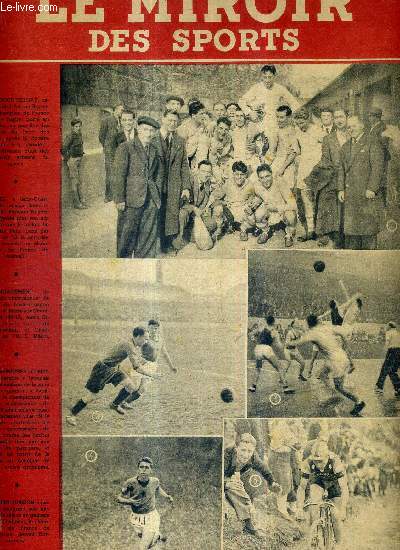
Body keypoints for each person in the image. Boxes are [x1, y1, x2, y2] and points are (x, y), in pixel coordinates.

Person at [65, 327, 151, 426]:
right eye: (145, 339)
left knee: (130, 386)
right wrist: (151, 374)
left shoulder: (131, 343)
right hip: (102, 369)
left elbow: (133, 357)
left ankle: (114, 404)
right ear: (138, 336)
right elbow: (136, 367)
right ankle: (71, 415)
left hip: (113, 369)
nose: (146, 341)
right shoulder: (129, 345)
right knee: (92, 396)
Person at [288, 314, 365, 416]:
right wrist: (350, 359)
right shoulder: (326, 327)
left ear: (309, 323)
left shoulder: (312, 333)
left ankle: (358, 401)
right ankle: (331, 394)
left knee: (339, 387)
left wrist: (288, 342)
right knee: (321, 375)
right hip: (340, 357)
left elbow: (297, 342)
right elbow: (343, 334)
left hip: (335, 361)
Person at [113, 116, 164, 258]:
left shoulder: (153, 149)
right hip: (131, 200)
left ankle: (143, 267)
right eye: (145, 129)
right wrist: (119, 199)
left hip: (150, 200)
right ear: (138, 130)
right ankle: (124, 267)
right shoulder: (126, 147)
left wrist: (156, 196)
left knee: (148, 236)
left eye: (151, 130)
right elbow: (118, 175)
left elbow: (157, 174)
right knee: (127, 236)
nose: (148, 133)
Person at [337, 115, 385, 250]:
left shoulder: (372, 142)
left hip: (366, 194)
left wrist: (372, 188)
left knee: (367, 230)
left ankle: (370, 262)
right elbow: (341, 169)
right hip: (350, 195)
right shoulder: (345, 146)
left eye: (353, 126)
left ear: (362, 125)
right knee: (352, 231)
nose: (350, 129)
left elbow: (378, 167)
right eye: (348, 127)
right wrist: (340, 189)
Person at [224, 432, 280, 539]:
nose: (246, 455)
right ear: (236, 448)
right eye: (243, 450)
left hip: (231, 477)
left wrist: (272, 482)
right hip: (217, 476)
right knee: (235, 487)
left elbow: (264, 468)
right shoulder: (227, 454)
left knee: (244, 490)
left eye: (249, 451)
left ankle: (248, 525)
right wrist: (226, 483)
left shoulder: (253, 457)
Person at [306, 108, 349, 248]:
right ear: (333, 120)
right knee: (324, 196)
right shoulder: (328, 139)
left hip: (350, 176)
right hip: (333, 175)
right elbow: (325, 159)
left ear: (347, 118)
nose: (339, 120)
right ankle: (324, 232)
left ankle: (344, 232)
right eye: (336, 117)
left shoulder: (351, 134)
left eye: (341, 117)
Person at [297, 438, 349, 545]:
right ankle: (315, 534)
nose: (318, 464)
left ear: (327, 456)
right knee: (314, 506)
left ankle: (338, 544)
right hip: (318, 481)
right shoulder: (308, 463)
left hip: (334, 483)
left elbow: (344, 488)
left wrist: (343, 509)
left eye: (321, 461)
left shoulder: (335, 462)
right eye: (316, 461)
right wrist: (299, 507)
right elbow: (302, 487)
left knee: (335, 515)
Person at [153, 110, 191, 252]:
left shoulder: (180, 141)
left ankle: (167, 244)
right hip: (156, 184)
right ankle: (154, 244)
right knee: (156, 213)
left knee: (170, 214)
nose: (172, 123)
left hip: (173, 185)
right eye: (169, 120)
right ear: (162, 119)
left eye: (175, 121)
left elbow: (184, 165)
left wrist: (186, 187)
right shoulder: (152, 138)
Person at [119, 319, 178, 410]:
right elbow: (134, 349)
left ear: (158, 329)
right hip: (142, 365)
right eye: (150, 328)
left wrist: (171, 366)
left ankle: (125, 402)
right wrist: (139, 359)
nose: (153, 330)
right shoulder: (145, 339)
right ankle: (120, 401)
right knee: (134, 386)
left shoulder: (160, 340)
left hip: (152, 366)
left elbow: (165, 353)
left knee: (142, 389)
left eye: (155, 328)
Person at [118, 456, 173, 550]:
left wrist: (166, 496)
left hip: (151, 517)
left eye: (147, 468)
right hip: (136, 519)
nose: (143, 470)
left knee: (143, 547)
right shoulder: (130, 482)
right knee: (148, 542)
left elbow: (158, 489)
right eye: (141, 467)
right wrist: (128, 501)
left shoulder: (154, 481)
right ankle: (158, 536)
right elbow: (118, 498)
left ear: (151, 470)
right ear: (138, 469)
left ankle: (156, 537)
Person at [239, 65, 299, 141]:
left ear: (274, 76)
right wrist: (249, 112)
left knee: (272, 146)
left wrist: (288, 117)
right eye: (265, 77)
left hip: (273, 123)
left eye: (270, 77)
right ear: (262, 77)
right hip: (258, 122)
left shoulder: (280, 88)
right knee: (252, 144)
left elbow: (294, 103)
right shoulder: (257, 87)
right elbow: (241, 101)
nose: (267, 80)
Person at [172, 160, 224, 250]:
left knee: (212, 224)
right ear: (198, 170)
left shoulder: (207, 183)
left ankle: (190, 235)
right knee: (182, 213)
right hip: (186, 211)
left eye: (208, 172)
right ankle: (179, 237)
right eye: (203, 171)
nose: (206, 174)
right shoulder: (190, 181)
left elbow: (212, 197)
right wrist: (193, 208)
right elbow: (180, 203)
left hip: (197, 215)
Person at [241, 163, 296, 247]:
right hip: (269, 211)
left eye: (267, 176)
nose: (265, 180)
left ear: (272, 175)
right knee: (258, 214)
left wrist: (277, 208)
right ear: (259, 179)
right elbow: (257, 198)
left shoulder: (280, 182)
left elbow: (293, 204)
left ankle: (289, 234)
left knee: (291, 216)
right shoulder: (257, 185)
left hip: (281, 211)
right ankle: (265, 231)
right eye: (262, 178)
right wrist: (252, 205)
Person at [269, 105, 299, 246]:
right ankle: (275, 225)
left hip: (287, 166)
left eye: (282, 117)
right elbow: (272, 152)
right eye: (277, 117)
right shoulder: (275, 130)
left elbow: (293, 153)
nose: (279, 120)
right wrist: (267, 163)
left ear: (288, 117)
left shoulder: (292, 131)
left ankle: (289, 233)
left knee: (288, 198)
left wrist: (282, 167)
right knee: (275, 195)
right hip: (277, 163)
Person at [293, 108, 323, 242]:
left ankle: (321, 232)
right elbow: (297, 151)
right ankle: (310, 230)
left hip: (317, 169)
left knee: (318, 200)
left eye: (302, 123)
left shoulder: (317, 130)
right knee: (306, 200)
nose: (300, 126)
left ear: (308, 119)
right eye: (298, 123)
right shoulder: (297, 132)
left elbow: (325, 148)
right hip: (304, 168)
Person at [248, 315, 293, 394]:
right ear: (273, 322)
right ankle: (285, 387)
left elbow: (251, 334)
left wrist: (254, 341)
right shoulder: (274, 332)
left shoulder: (261, 328)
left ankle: (253, 386)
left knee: (258, 369)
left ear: (266, 321)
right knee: (280, 367)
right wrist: (284, 345)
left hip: (258, 349)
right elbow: (279, 346)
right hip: (266, 349)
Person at [212, 160, 254, 232]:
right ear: (233, 174)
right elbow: (215, 197)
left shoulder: (249, 184)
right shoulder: (228, 183)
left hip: (242, 210)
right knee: (218, 209)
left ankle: (236, 226)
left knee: (252, 220)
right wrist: (223, 202)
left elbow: (252, 197)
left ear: (245, 175)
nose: (239, 177)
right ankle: (223, 227)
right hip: (230, 209)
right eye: (237, 174)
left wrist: (249, 206)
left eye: (242, 174)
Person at [99, 103, 125, 202]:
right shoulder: (107, 120)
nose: (122, 112)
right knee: (110, 173)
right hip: (110, 152)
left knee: (119, 173)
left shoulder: (122, 121)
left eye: (123, 110)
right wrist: (107, 147)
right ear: (115, 110)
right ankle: (108, 196)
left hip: (119, 151)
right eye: (121, 110)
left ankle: (117, 194)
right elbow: (101, 136)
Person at [62, 117, 88, 209]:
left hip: (79, 159)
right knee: (74, 182)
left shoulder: (79, 134)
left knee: (80, 181)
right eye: (76, 126)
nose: (78, 128)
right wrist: (68, 158)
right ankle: (77, 203)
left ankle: (82, 201)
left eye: (79, 126)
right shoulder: (70, 135)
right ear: (72, 127)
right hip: (73, 160)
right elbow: (63, 148)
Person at [177, 99, 209, 169]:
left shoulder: (203, 126)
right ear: (193, 115)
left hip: (197, 158)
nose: (204, 116)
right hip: (184, 160)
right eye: (201, 114)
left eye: (205, 113)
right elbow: (180, 151)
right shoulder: (183, 128)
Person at [375, 322, 400, 397]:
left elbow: (387, 343)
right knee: (393, 371)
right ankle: (398, 387)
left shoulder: (389, 332)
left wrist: (384, 352)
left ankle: (379, 387)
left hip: (392, 351)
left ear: (389, 326)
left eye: (387, 326)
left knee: (384, 369)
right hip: (399, 352)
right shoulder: (398, 333)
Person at [208, 116, 233, 183]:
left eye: (226, 129)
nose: (223, 132)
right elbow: (213, 163)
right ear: (216, 127)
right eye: (221, 128)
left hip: (225, 164)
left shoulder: (228, 138)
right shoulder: (211, 139)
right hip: (213, 166)